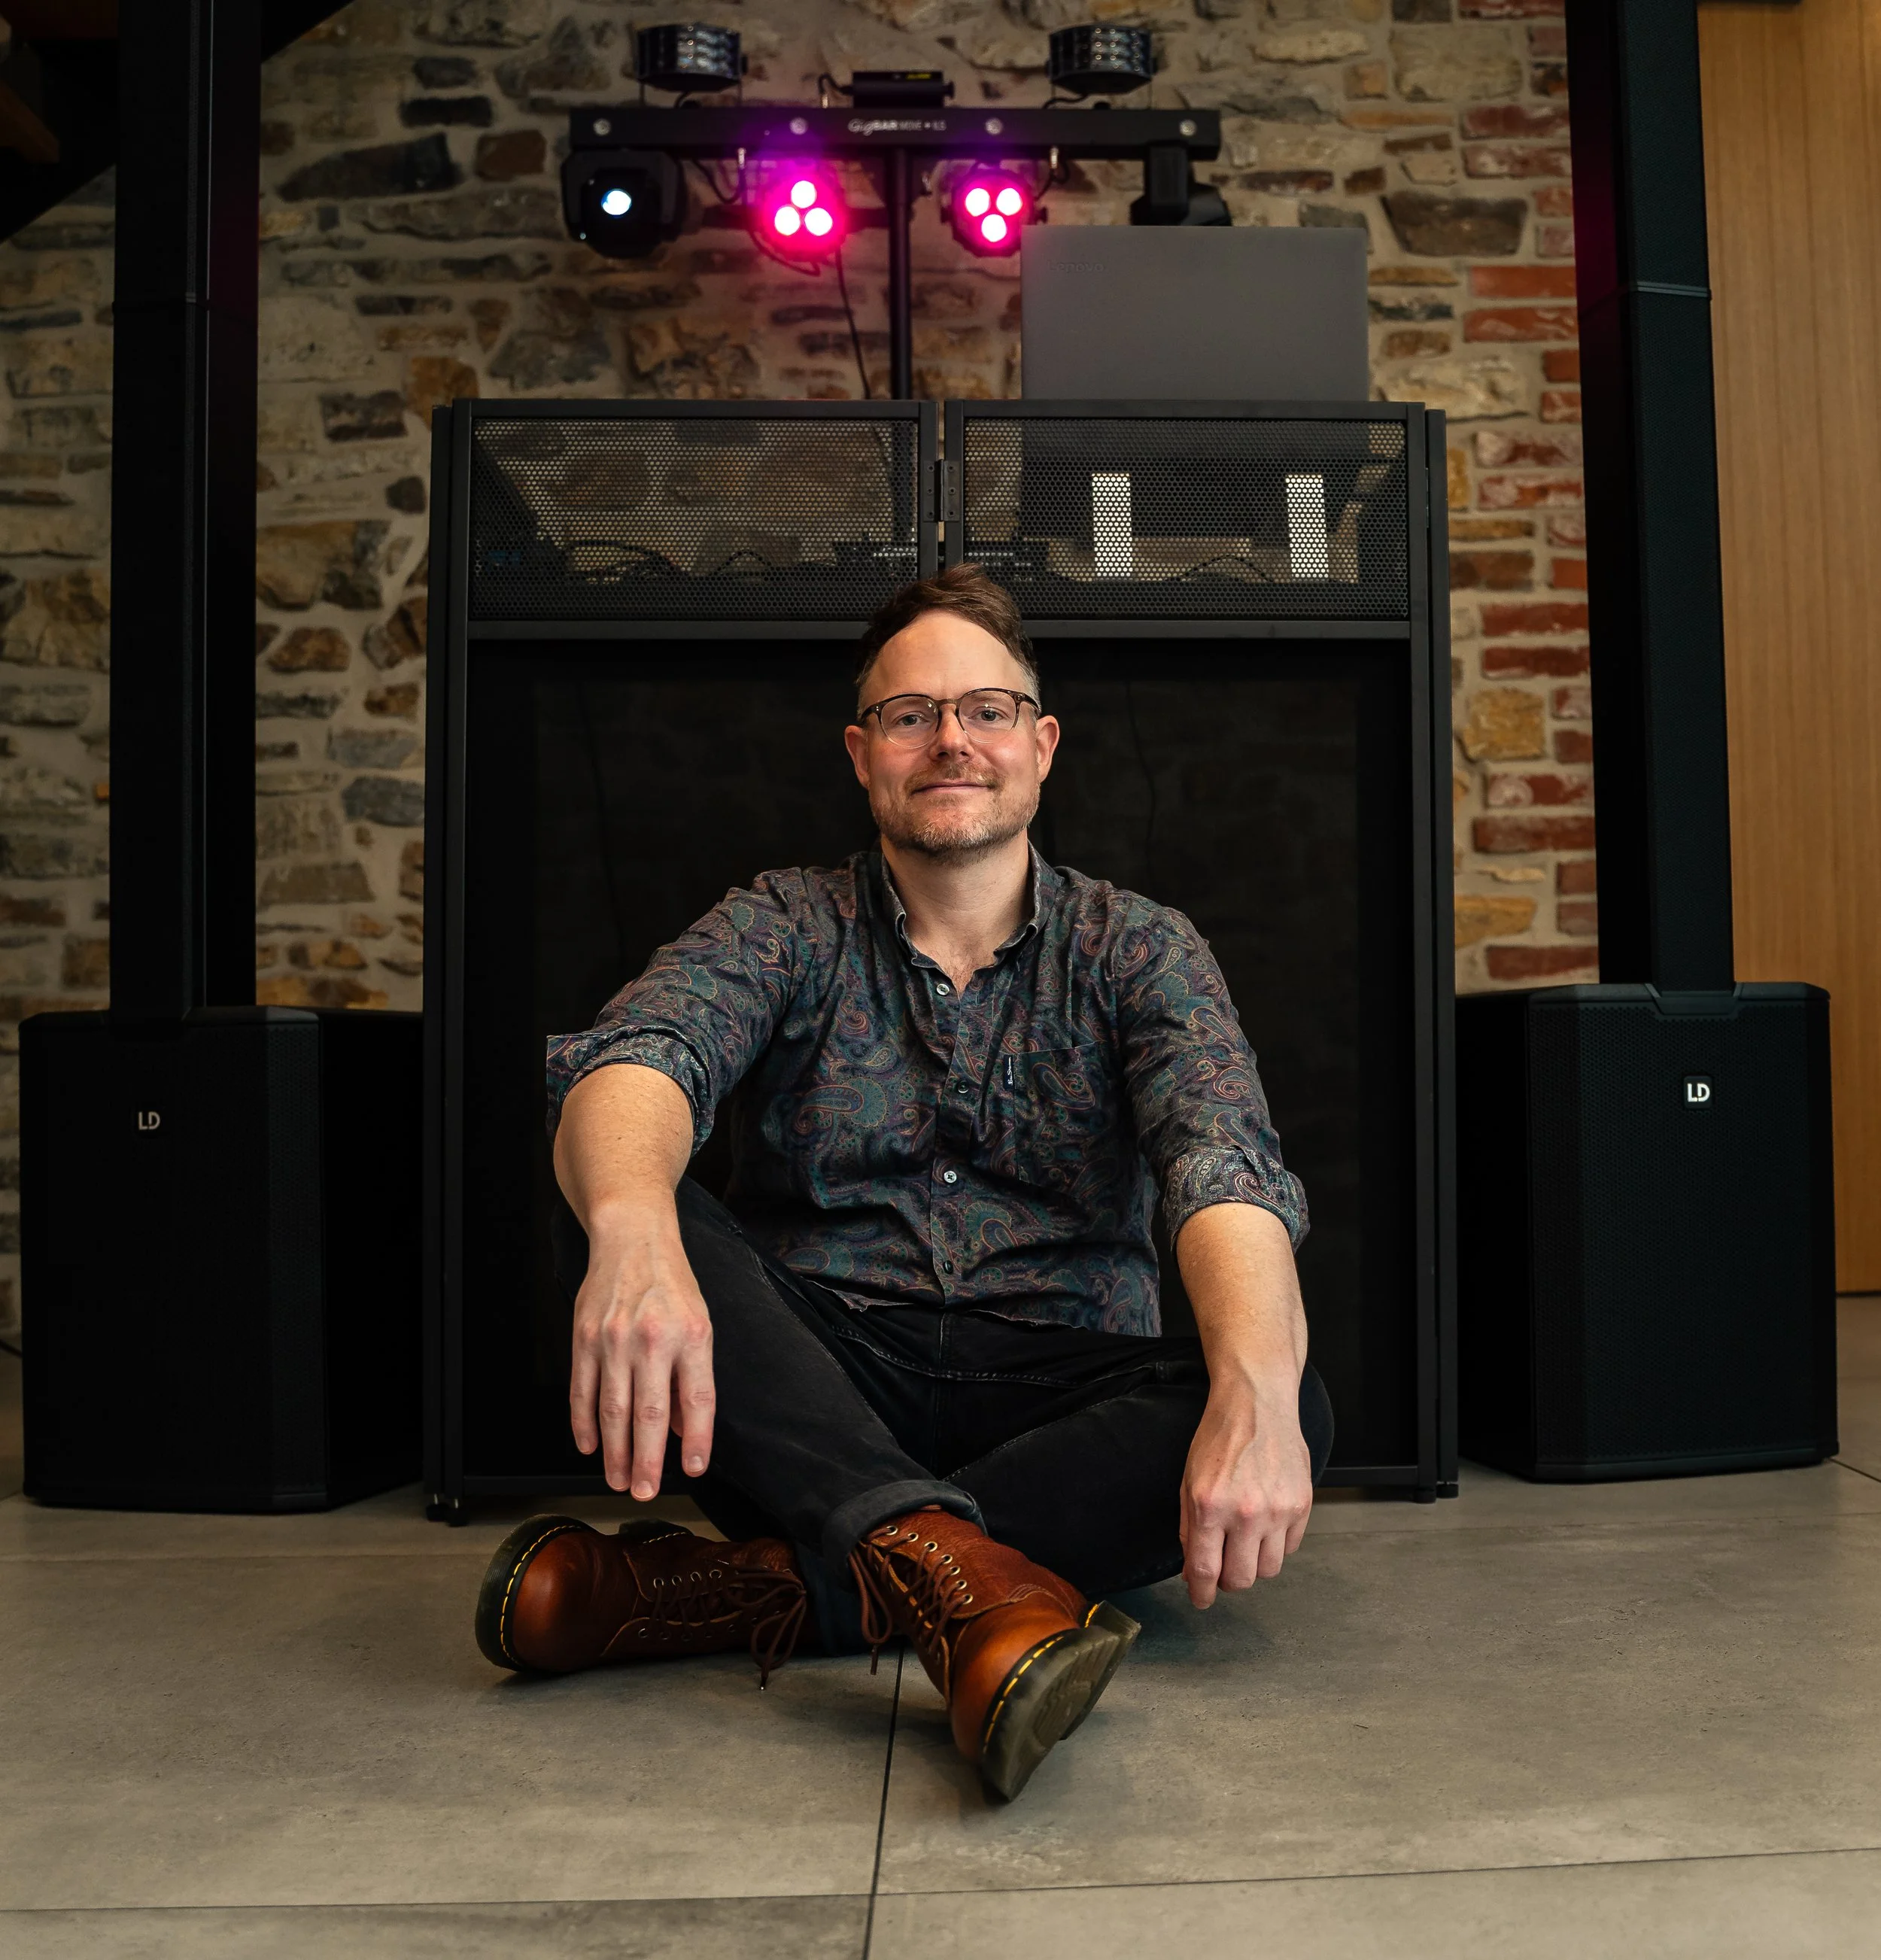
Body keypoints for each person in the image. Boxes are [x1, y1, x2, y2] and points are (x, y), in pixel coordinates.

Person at [475, 565, 1333, 1801]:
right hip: (816, 1386)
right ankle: (965, 1584)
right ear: (862, 754)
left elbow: (1220, 1166)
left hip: (1051, 1398)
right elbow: (640, 1059)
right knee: (610, 1187)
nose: (951, 741)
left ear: (1041, 746)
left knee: (1283, 1385)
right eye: (910, 714)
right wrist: (633, 1232)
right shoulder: (784, 921)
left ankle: (757, 1586)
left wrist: (1255, 1389)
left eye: (986, 710)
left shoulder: (1139, 947)